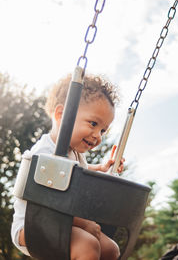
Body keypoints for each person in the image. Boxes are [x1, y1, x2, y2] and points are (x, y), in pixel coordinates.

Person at [11, 73, 125, 260]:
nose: (98, 135)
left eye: (103, 130)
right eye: (93, 124)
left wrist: (103, 168)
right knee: (87, 245)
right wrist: (84, 223)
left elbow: (77, 175)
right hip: (31, 225)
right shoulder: (44, 152)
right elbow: (46, 202)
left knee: (110, 250)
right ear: (62, 115)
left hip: (63, 223)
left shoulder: (76, 154)